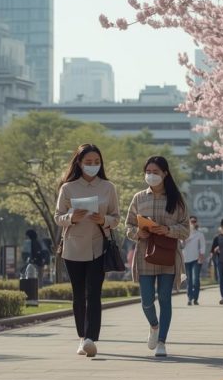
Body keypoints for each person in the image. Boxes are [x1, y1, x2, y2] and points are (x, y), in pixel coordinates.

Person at [54, 143, 120, 358]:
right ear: (79, 163)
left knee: (94, 293)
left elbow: (116, 218)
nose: (92, 166)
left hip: (98, 247)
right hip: (73, 247)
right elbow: (58, 217)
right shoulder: (68, 188)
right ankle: (82, 337)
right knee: (79, 295)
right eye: (88, 162)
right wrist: (72, 217)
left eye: (96, 162)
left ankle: (91, 339)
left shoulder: (108, 187)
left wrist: (105, 220)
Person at [126, 156, 190, 358]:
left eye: (155, 172)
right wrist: (138, 233)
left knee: (164, 298)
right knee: (146, 300)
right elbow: (128, 225)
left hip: (168, 255)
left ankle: (162, 341)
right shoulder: (138, 198)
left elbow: (185, 230)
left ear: (165, 174)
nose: (151, 176)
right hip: (145, 254)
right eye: (148, 172)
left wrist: (167, 229)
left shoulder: (177, 200)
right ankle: (154, 325)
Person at [181, 216, 206, 305]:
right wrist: (184, 240)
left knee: (195, 279)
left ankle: (195, 298)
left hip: (196, 259)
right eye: (191, 221)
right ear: (188, 222)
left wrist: (201, 256)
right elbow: (181, 245)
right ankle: (189, 298)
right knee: (189, 280)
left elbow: (202, 246)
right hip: (186, 259)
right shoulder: (184, 233)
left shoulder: (199, 234)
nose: (193, 223)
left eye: (194, 221)